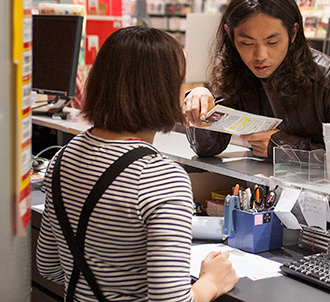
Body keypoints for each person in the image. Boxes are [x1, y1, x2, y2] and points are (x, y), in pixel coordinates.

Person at [36, 26, 238, 302]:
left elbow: (49, 267)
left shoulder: (62, 158)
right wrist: (212, 282)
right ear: (162, 91)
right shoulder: (162, 177)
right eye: (180, 82)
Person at [183, 0, 330, 158]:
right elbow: (208, 148)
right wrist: (200, 105)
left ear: (293, 33)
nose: (260, 55)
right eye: (246, 43)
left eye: (272, 42)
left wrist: (282, 147)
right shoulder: (237, 70)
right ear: (230, 34)